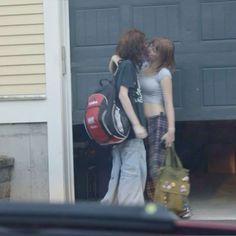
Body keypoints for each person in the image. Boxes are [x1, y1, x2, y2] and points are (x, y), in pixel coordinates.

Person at [140, 37, 191, 218]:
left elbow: (169, 103)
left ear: (163, 55)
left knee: (158, 167)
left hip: (158, 121)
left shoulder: (164, 73)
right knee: (146, 167)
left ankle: (181, 205)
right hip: (142, 122)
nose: (151, 50)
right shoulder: (143, 66)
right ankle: (159, 206)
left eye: (155, 49)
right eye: (151, 46)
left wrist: (171, 130)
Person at [101, 29, 148, 206]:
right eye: (142, 43)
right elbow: (123, 95)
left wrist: (115, 58)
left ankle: (112, 215)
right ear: (136, 46)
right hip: (130, 133)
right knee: (133, 174)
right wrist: (137, 124)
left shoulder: (122, 65)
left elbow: (113, 62)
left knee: (120, 175)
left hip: (121, 134)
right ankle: (133, 219)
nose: (145, 46)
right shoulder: (127, 66)